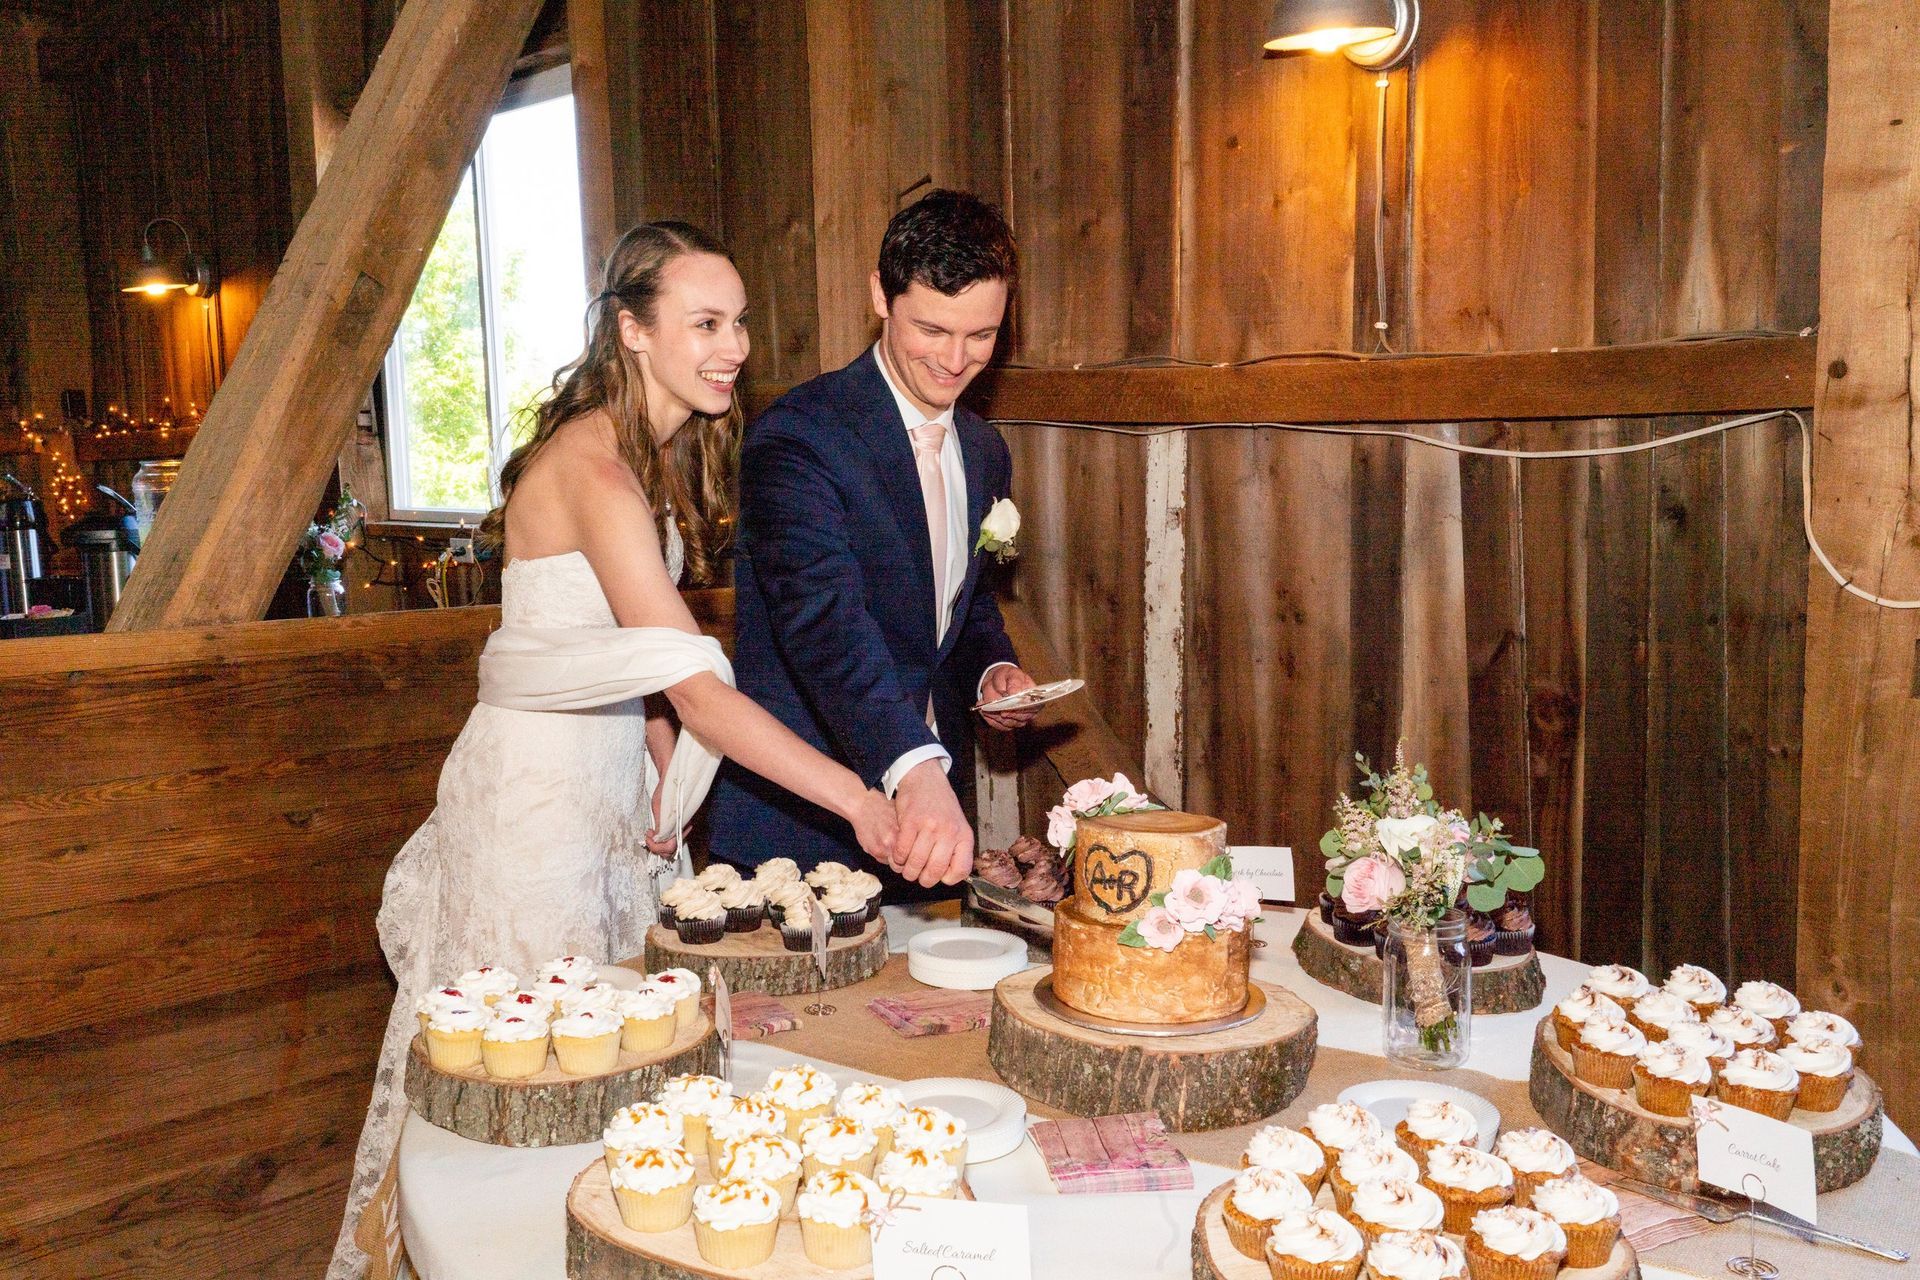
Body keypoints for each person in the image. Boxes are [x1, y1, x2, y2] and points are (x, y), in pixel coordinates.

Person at [327, 222, 896, 1279]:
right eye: (705, 323)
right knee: (522, 1071)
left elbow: (613, 648)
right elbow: (692, 678)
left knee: (614, 1060)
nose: (732, 347)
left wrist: (653, 744)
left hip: (603, 787)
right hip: (535, 800)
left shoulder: (644, 457)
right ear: (633, 330)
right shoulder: (595, 467)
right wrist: (860, 800)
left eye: (738, 324)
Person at [710, 190, 1041, 891]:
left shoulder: (984, 450)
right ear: (880, 298)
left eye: (980, 335)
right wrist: (912, 765)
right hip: (801, 830)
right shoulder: (799, 437)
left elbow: (963, 603)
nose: (956, 360)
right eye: (932, 330)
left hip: (925, 830)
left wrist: (993, 672)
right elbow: (823, 623)